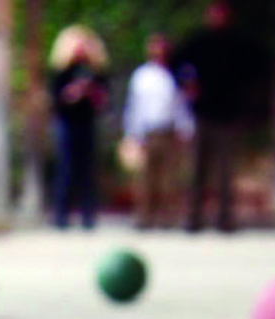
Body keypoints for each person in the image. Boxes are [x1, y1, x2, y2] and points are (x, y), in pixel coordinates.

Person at [171, 1, 256, 233]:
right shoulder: (199, 42)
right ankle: (193, 218)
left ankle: (225, 219)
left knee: (226, 171)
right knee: (197, 169)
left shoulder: (238, 44)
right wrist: (186, 85)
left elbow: (257, 68)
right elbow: (174, 63)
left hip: (229, 115)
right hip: (203, 113)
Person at [122, 34, 193, 230]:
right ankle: (144, 217)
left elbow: (181, 105)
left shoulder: (175, 74)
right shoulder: (141, 76)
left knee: (169, 178)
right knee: (145, 178)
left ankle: (167, 218)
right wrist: (132, 134)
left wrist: (185, 128)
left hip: (169, 130)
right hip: (148, 131)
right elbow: (134, 106)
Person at [49, 25, 110, 229]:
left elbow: (104, 101)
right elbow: (55, 100)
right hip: (67, 124)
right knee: (66, 170)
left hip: (87, 123)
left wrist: (91, 93)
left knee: (87, 171)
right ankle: (61, 216)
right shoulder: (62, 72)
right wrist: (71, 94)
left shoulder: (95, 72)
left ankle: (88, 216)